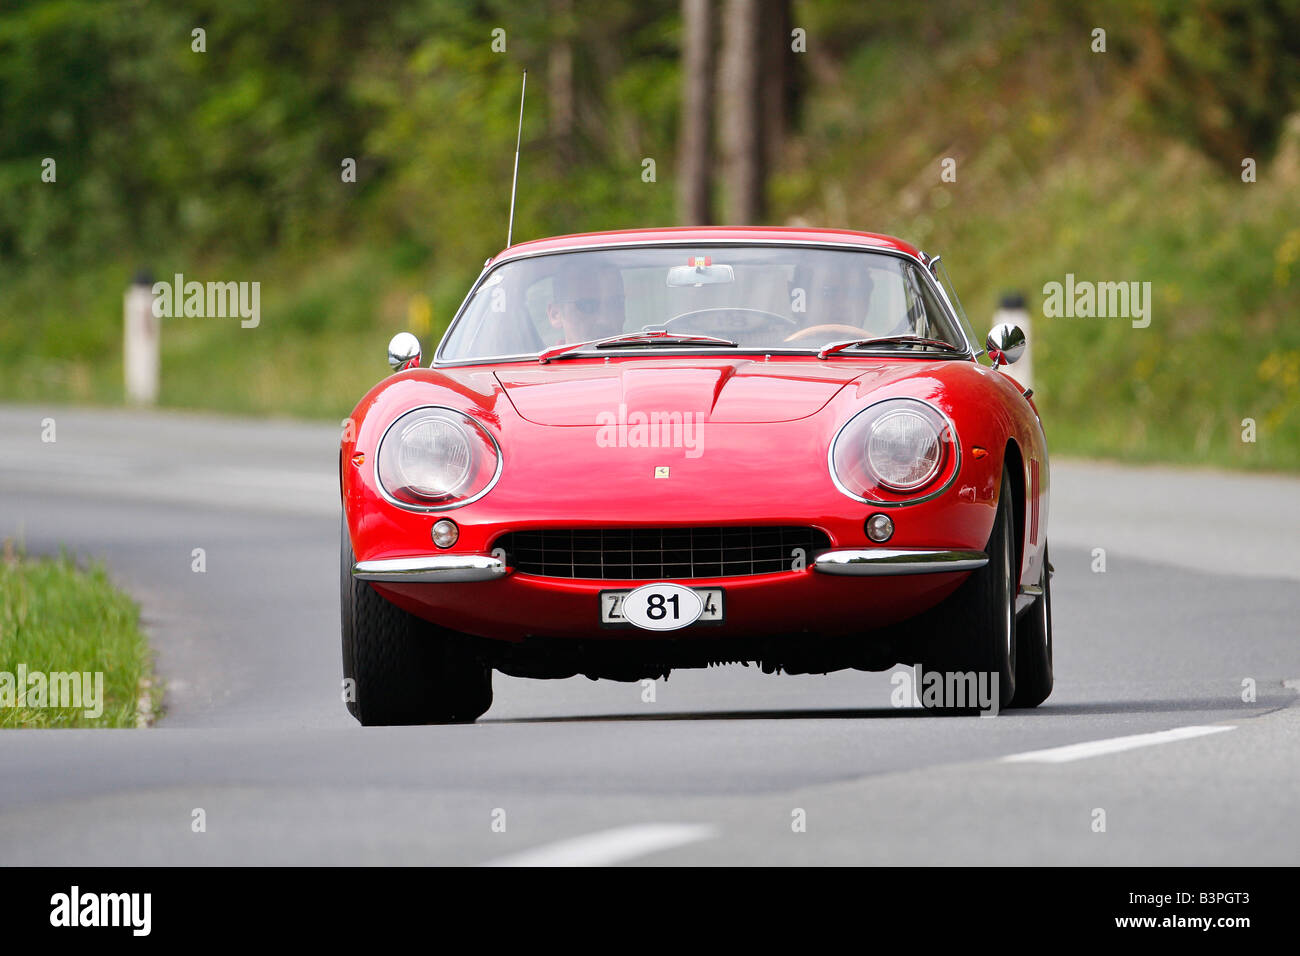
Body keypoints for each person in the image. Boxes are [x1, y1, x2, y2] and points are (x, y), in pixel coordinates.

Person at [546, 260, 627, 344]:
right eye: (587, 306)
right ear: (555, 314)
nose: (605, 320)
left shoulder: (640, 352)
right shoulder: (536, 357)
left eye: (616, 304)